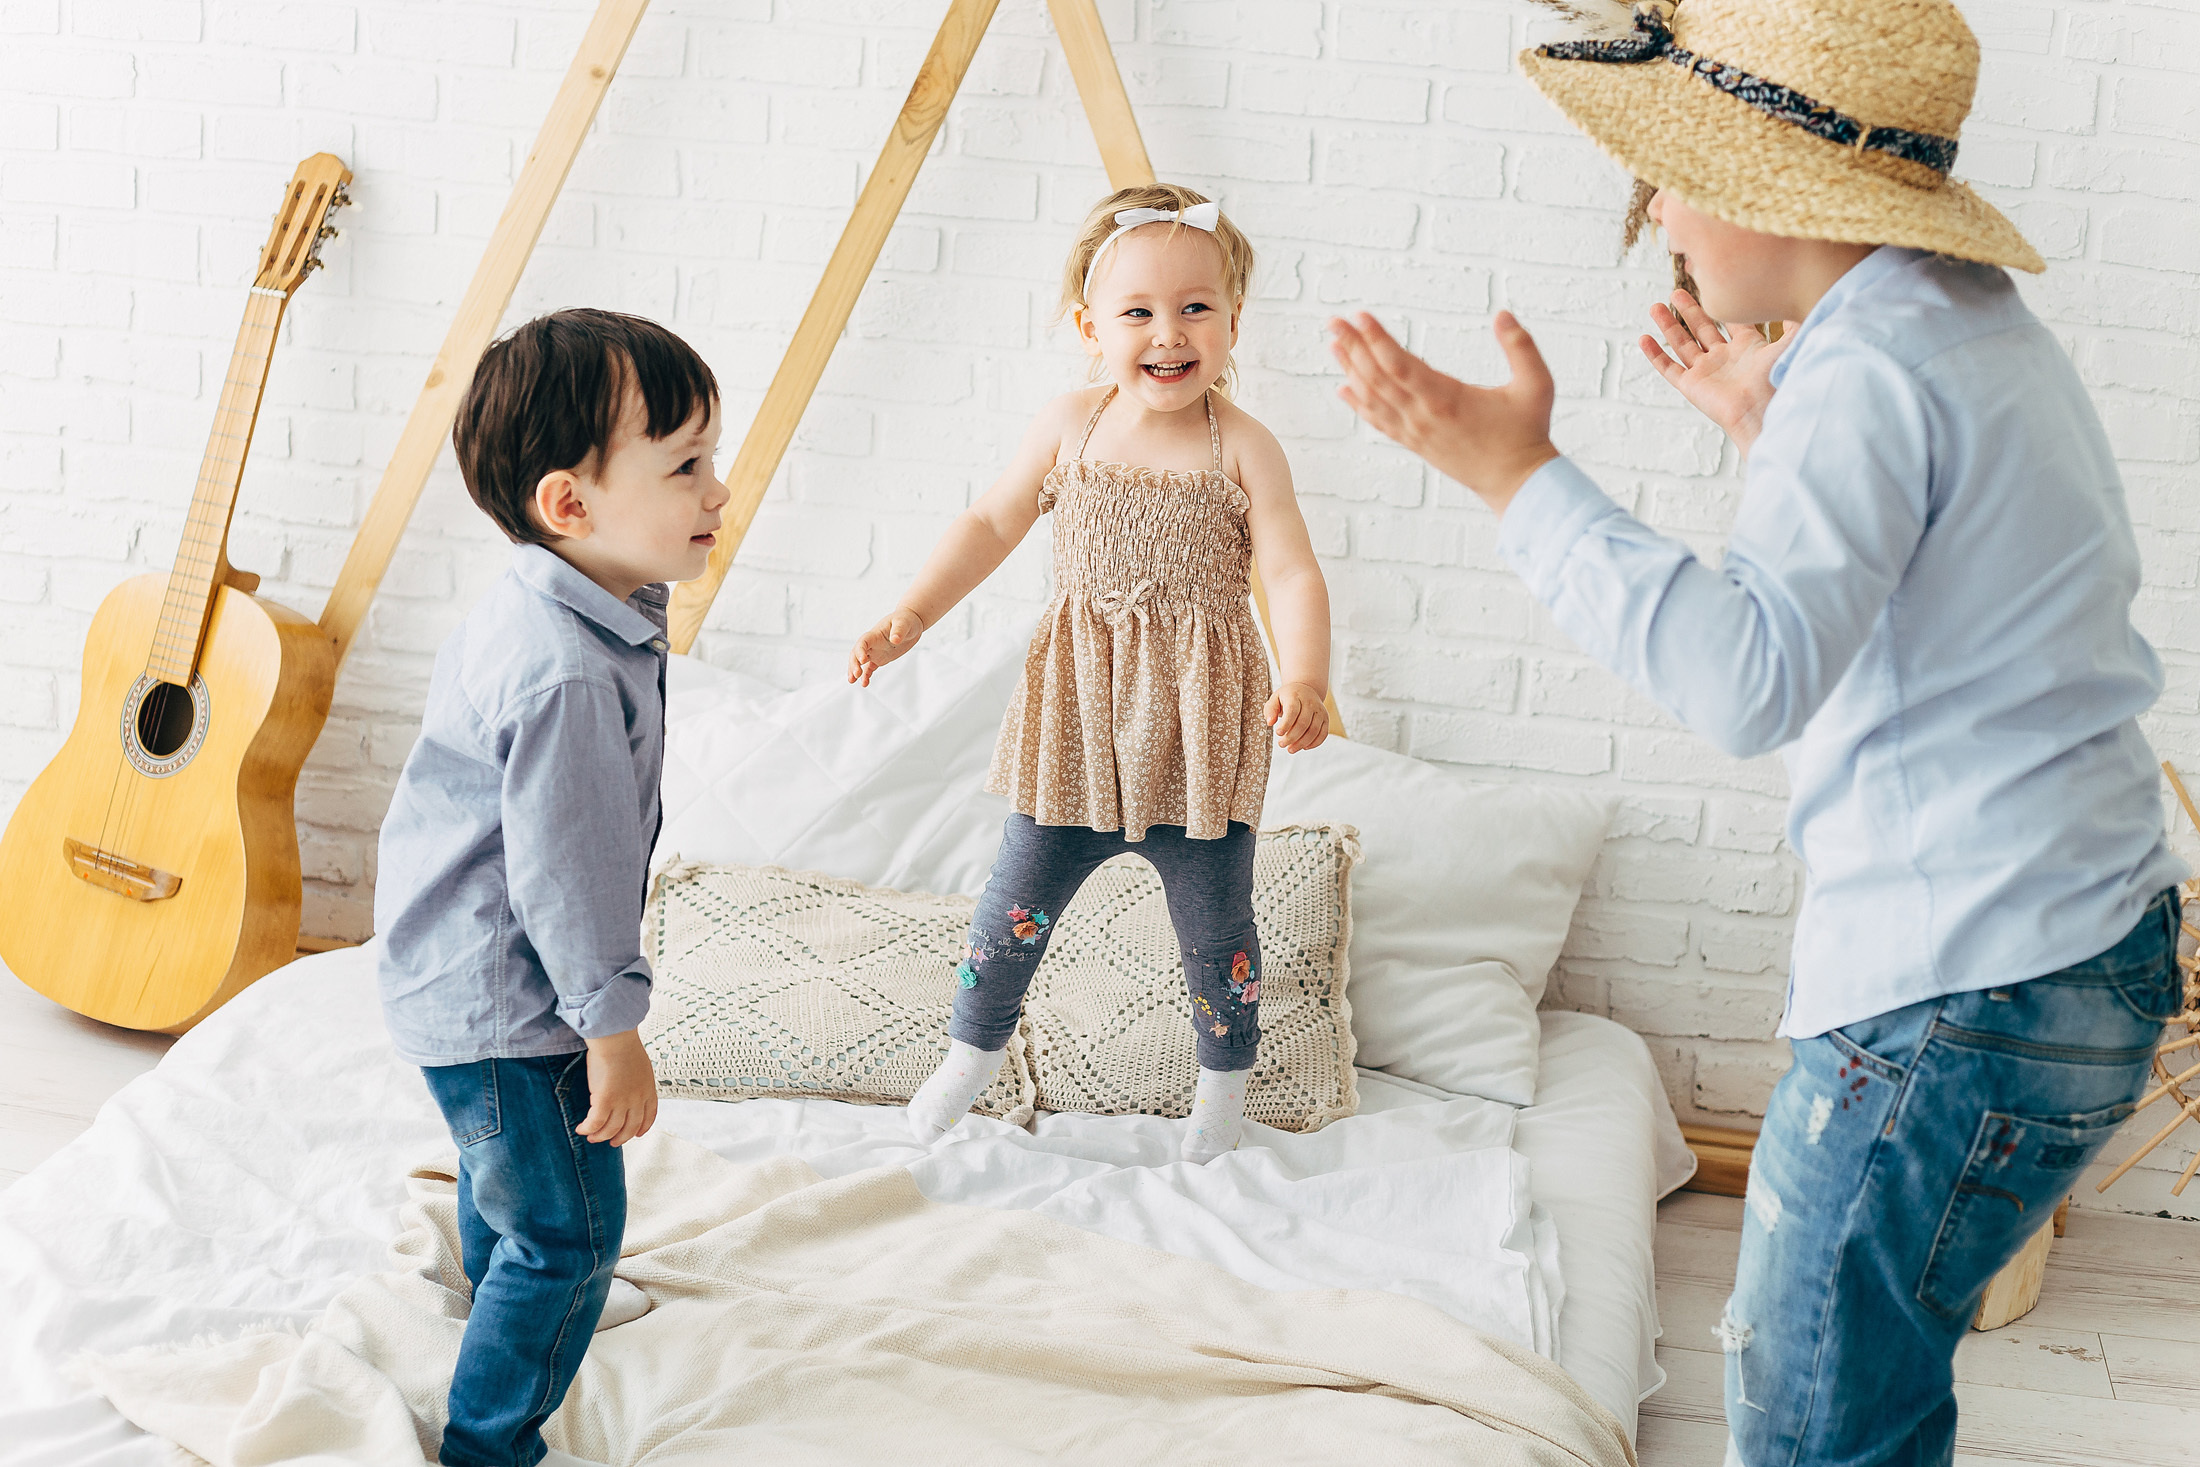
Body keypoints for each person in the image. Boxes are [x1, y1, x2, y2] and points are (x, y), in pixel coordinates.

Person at [1328, 2, 2185, 1464]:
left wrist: (1517, 475)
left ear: (1768, 185)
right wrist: (1772, 442)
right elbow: (1951, 595)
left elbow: (1749, 683)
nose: (1657, 205)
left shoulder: (1866, 375)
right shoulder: (1967, 325)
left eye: (1670, 172)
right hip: (2088, 956)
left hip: (1953, 1002)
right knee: (1876, 1384)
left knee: (1812, 1428)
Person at [849, 184, 1333, 1164]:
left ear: (1234, 321)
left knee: (1218, 932)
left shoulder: (1241, 446)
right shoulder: (1070, 424)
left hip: (1197, 737)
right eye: (1139, 312)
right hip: (1076, 726)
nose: (1169, 333)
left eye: (1196, 307)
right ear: (1089, 327)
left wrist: (1308, 675)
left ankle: (1221, 1094)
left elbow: (1287, 566)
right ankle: (969, 1057)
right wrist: (909, 613)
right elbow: (988, 522)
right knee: (1009, 911)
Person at [375, 308, 728, 1467]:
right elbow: (567, 881)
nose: (717, 491)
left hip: (457, 979)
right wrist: (613, 1029)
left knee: (509, 1181)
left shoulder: (558, 603)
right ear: (568, 504)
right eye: (685, 466)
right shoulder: (566, 670)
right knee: (570, 1232)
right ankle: (488, 1444)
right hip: (516, 1005)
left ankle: (499, 1296)